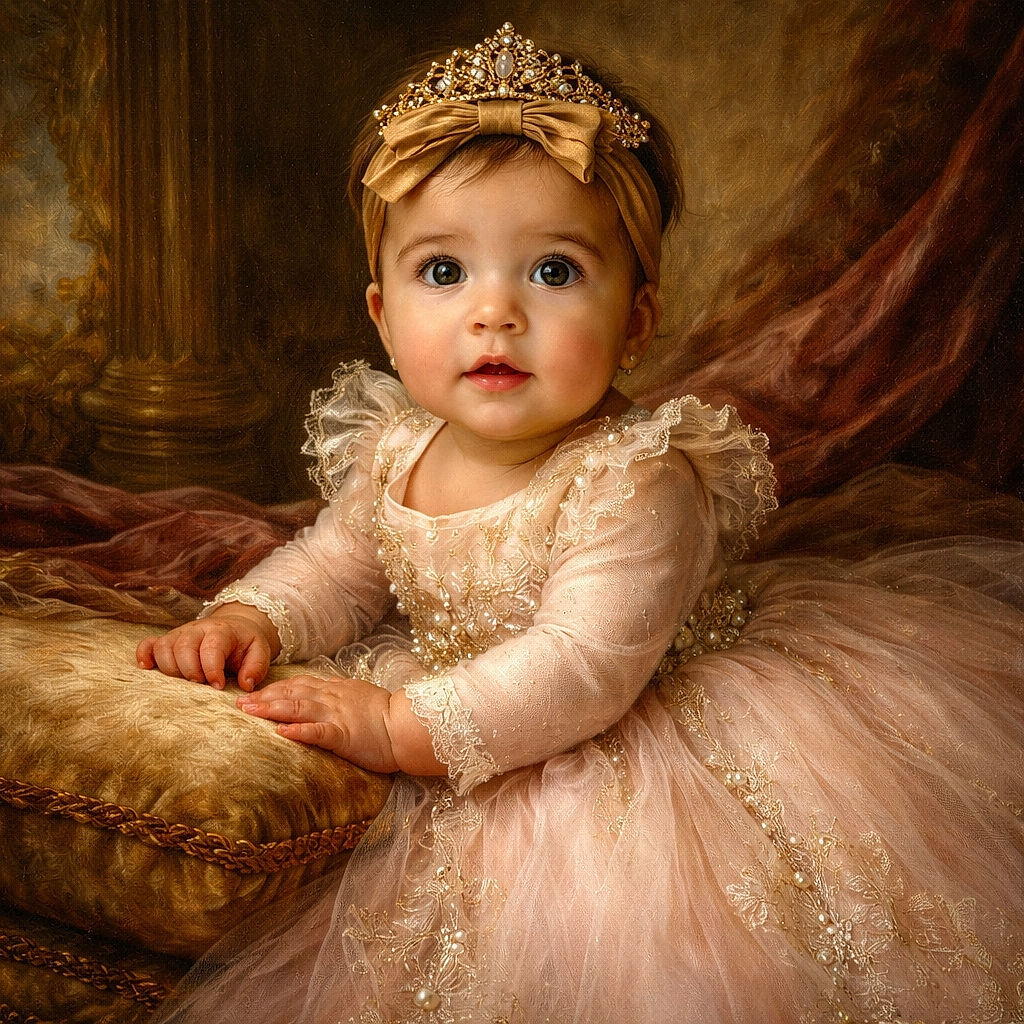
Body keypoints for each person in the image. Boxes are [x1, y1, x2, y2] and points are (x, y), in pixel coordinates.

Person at [143, 24, 1024, 1023]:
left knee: (651, 955)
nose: (495, 314)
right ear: (383, 314)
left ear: (637, 320)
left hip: (627, 731)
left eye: (552, 272)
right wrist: (255, 616)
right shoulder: (398, 448)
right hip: (480, 703)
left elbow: (581, 666)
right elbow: (342, 567)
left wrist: (400, 724)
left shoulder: (637, 477)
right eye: (445, 273)